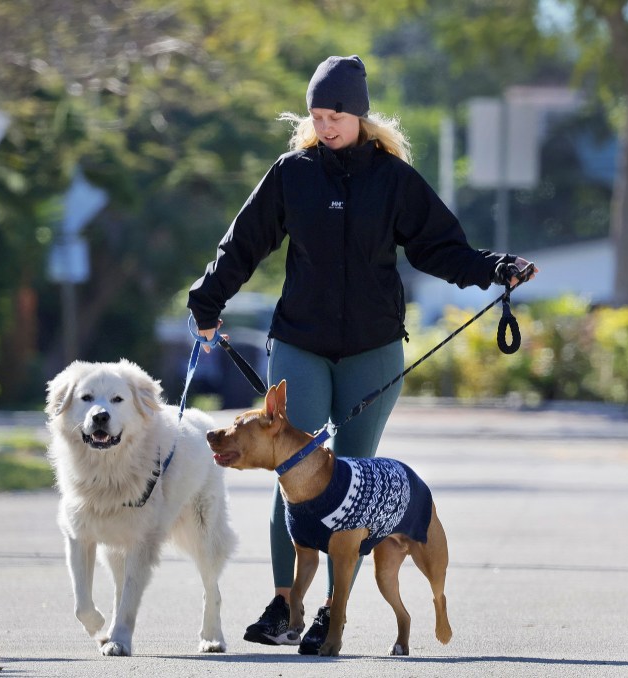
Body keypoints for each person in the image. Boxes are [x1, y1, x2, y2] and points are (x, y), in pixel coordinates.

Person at [187, 54, 537, 654]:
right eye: (317, 116)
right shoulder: (293, 174)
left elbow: (440, 247)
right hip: (300, 341)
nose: (324, 127)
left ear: (360, 116)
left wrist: (495, 269)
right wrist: (207, 300)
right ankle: (284, 605)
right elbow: (243, 242)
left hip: (373, 350)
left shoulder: (393, 180)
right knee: (291, 465)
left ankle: (331, 613)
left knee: (351, 479)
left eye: (336, 116)